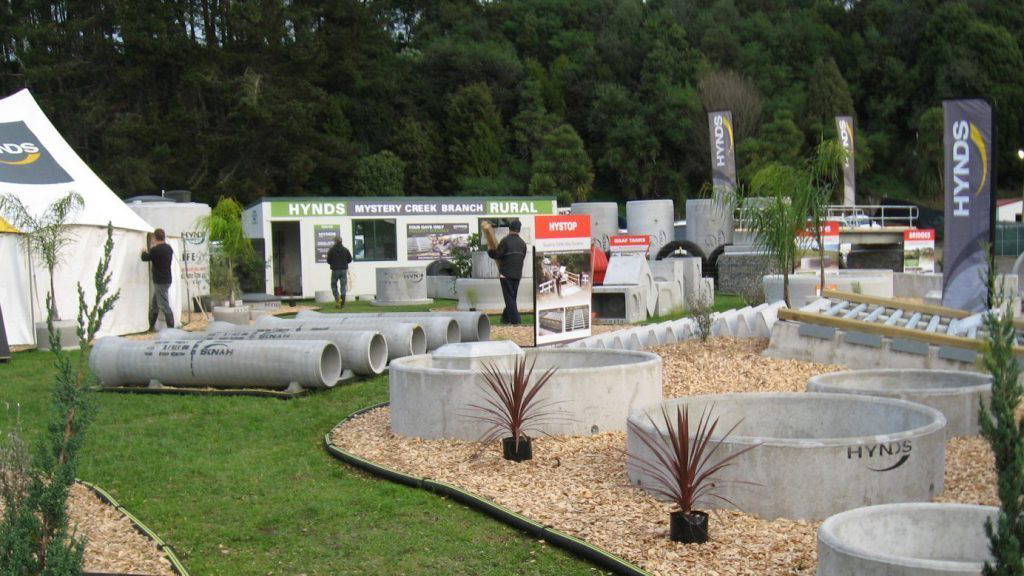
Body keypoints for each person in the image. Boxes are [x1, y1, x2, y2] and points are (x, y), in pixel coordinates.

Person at [487, 220, 527, 324]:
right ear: (519, 229)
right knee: (512, 297)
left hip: (506, 273)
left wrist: (490, 251)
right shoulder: (523, 243)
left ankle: (516, 320)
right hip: (517, 274)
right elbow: (522, 258)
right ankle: (505, 319)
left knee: (509, 298)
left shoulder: (505, 241)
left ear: (509, 228)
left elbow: (497, 254)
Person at [141, 228, 175, 332]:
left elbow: (145, 258)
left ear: (155, 237)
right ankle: (151, 326)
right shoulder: (169, 248)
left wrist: (143, 251)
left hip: (160, 281)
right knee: (155, 303)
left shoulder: (155, 250)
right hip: (167, 279)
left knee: (163, 304)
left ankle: (171, 329)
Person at [326, 236, 353, 307]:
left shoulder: (331, 250)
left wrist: (334, 263)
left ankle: (338, 300)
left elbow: (328, 260)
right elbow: (350, 259)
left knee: (333, 285)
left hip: (335, 270)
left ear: (335, 242)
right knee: (343, 286)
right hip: (344, 270)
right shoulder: (345, 250)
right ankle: (343, 303)